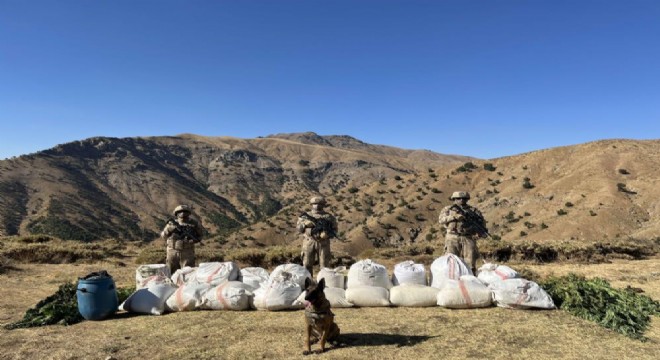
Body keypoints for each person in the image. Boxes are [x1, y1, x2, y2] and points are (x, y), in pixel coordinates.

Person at [438, 191, 488, 274]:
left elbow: (481, 223)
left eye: (464, 198)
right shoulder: (448, 209)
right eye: (458, 198)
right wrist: (455, 217)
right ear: (454, 199)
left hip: (468, 237)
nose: (461, 200)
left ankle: (470, 279)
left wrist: (480, 232)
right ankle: (451, 279)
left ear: (467, 199)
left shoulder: (473, 211)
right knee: (451, 261)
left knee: (470, 262)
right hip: (452, 237)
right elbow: (441, 220)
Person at [297, 196, 338, 276]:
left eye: (320, 204)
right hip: (309, 241)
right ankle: (308, 283)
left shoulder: (329, 217)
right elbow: (299, 229)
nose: (317, 206)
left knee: (324, 265)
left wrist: (327, 234)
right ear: (311, 204)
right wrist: (304, 224)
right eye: (314, 204)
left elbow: (335, 230)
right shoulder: (305, 216)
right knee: (307, 264)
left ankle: (324, 283)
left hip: (323, 243)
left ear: (323, 205)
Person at [161, 204, 204, 274]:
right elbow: (163, 236)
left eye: (185, 211)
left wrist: (194, 240)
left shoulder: (194, 224)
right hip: (172, 251)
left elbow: (200, 236)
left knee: (188, 272)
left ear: (188, 213)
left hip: (187, 251)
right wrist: (169, 230)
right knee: (171, 271)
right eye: (180, 212)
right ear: (176, 213)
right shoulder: (171, 224)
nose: (183, 214)